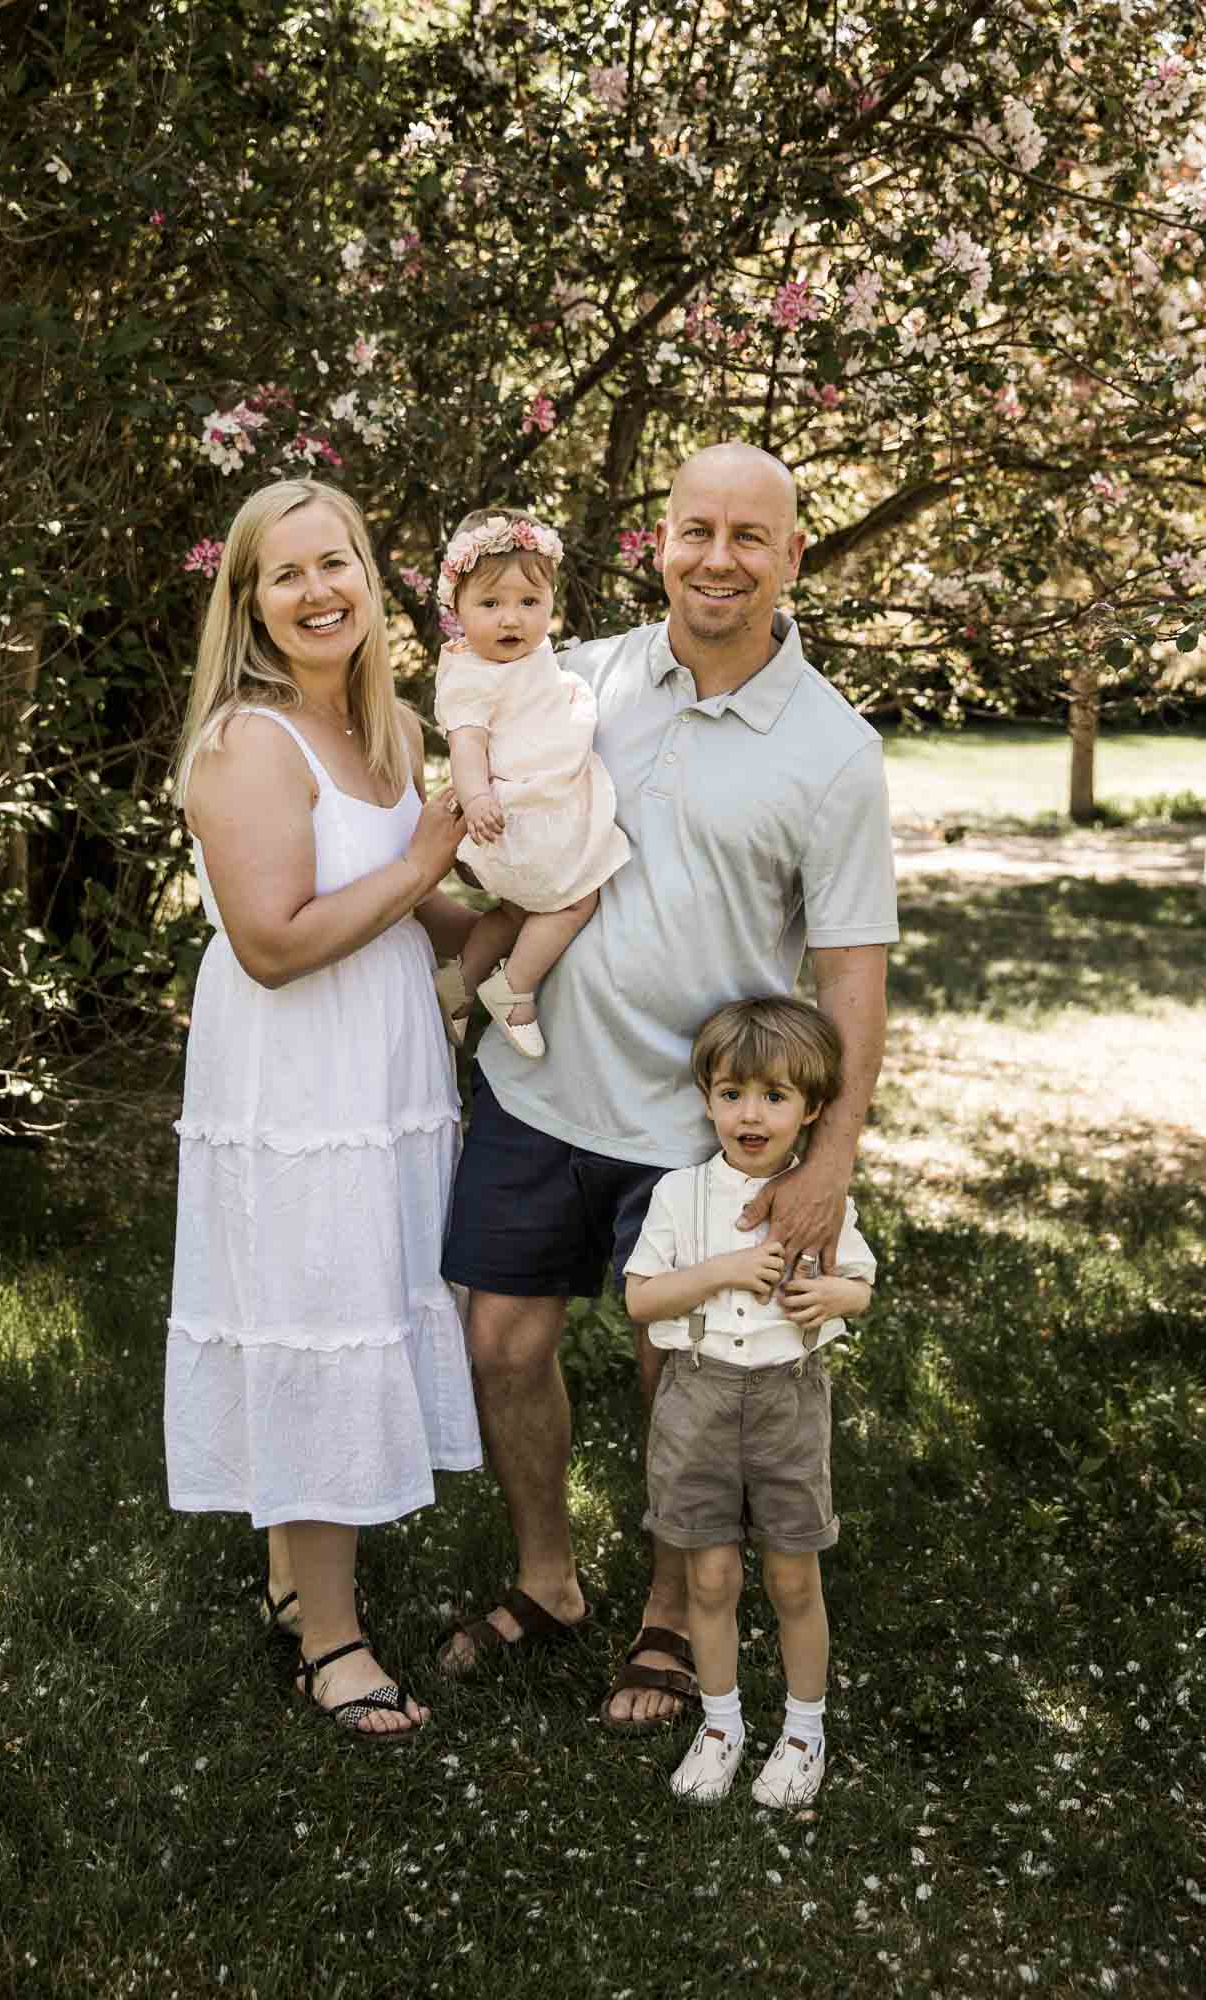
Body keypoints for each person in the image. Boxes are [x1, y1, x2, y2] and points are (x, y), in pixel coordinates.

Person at [437, 442, 897, 1733]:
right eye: (696, 529)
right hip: (537, 1090)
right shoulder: (575, 679)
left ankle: (661, 1610)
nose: (718, 557)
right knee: (500, 1344)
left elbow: (850, 975)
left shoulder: (831, 751)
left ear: (793, 557)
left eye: (750, 536)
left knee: (677, 1377)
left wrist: (830, 1157)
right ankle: (547, 1578)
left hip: (705, 1134)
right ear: (659, 541)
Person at [165, 475, 483, 1743]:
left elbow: (422, 905)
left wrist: (536, 897)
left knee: (359, 1298)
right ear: (247, 601)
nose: (318, 590)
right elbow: (273, 943)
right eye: (285, 572)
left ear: (369, 574)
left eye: (337, 560)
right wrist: (421, 865)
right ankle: (332, 1641)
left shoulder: (383, 726)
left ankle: (296, 1571)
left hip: (385, 1069)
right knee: (317, 1310)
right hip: (300, 1074)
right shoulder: (249, 740)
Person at [623, 998, 876, 1804]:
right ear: (706, 1099)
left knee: (793, 1578)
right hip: (695, 1398)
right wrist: (725, 1273)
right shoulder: (679, 1195)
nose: (750, 1113)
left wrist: (831, 1296)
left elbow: (861, 1288)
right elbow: (639, 1299)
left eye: (773, 1096)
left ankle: (804, 1730)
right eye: (731, 1093)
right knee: (710, 1576)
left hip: (785, 1402)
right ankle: (721, 1723)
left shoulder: (821, 1205)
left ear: (808, 1111)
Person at [432, 507, 629, 1059]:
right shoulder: (470, 675)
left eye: (529, 603)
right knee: (576, 897)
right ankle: (514, 988)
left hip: (541, 801)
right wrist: (476, 798)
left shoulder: (528, 653)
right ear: (458, 608)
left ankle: (458, 983)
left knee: (514, 913)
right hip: (512, 814)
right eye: (490, 605)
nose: (511, 620)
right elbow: (465, 743)